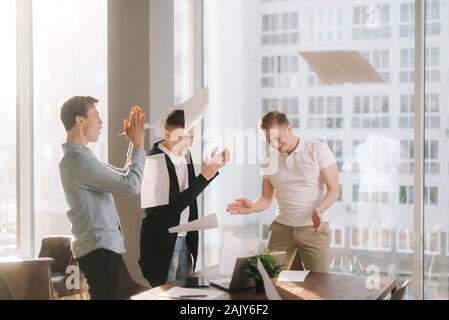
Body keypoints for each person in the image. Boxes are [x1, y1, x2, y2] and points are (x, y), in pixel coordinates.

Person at [226, 111, 340, 272]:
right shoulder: (268, 159)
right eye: (269, 141)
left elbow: (334, 190)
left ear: (289, 128)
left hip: (313, 227)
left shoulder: (317, 149)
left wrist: (320, 209)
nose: (275, 145)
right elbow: (266, 198)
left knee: (319, 283)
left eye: (278, 139)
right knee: (267, 277)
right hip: (281, 227)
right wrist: (252, 207)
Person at [59, 96, 145, 299]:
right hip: (99, 250)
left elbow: (125, 177)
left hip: (100, 248)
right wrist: (138, 145)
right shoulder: (79, 161)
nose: (101, 122)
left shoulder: (83, 158)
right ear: (80, 120)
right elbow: (131, 185)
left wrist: (135, 145)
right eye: (96, 115)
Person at [139, 109, 230, 287]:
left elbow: (188, 194)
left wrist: (210, 171)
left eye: (192, 137)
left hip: (184, 238)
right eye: (185, 137)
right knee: (166, 293)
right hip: (163, 242)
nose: (190, 142)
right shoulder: (155, 160)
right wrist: (204, 177)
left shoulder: (184, 155)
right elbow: (173, 206)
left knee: (187, 293)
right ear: (167, 133)